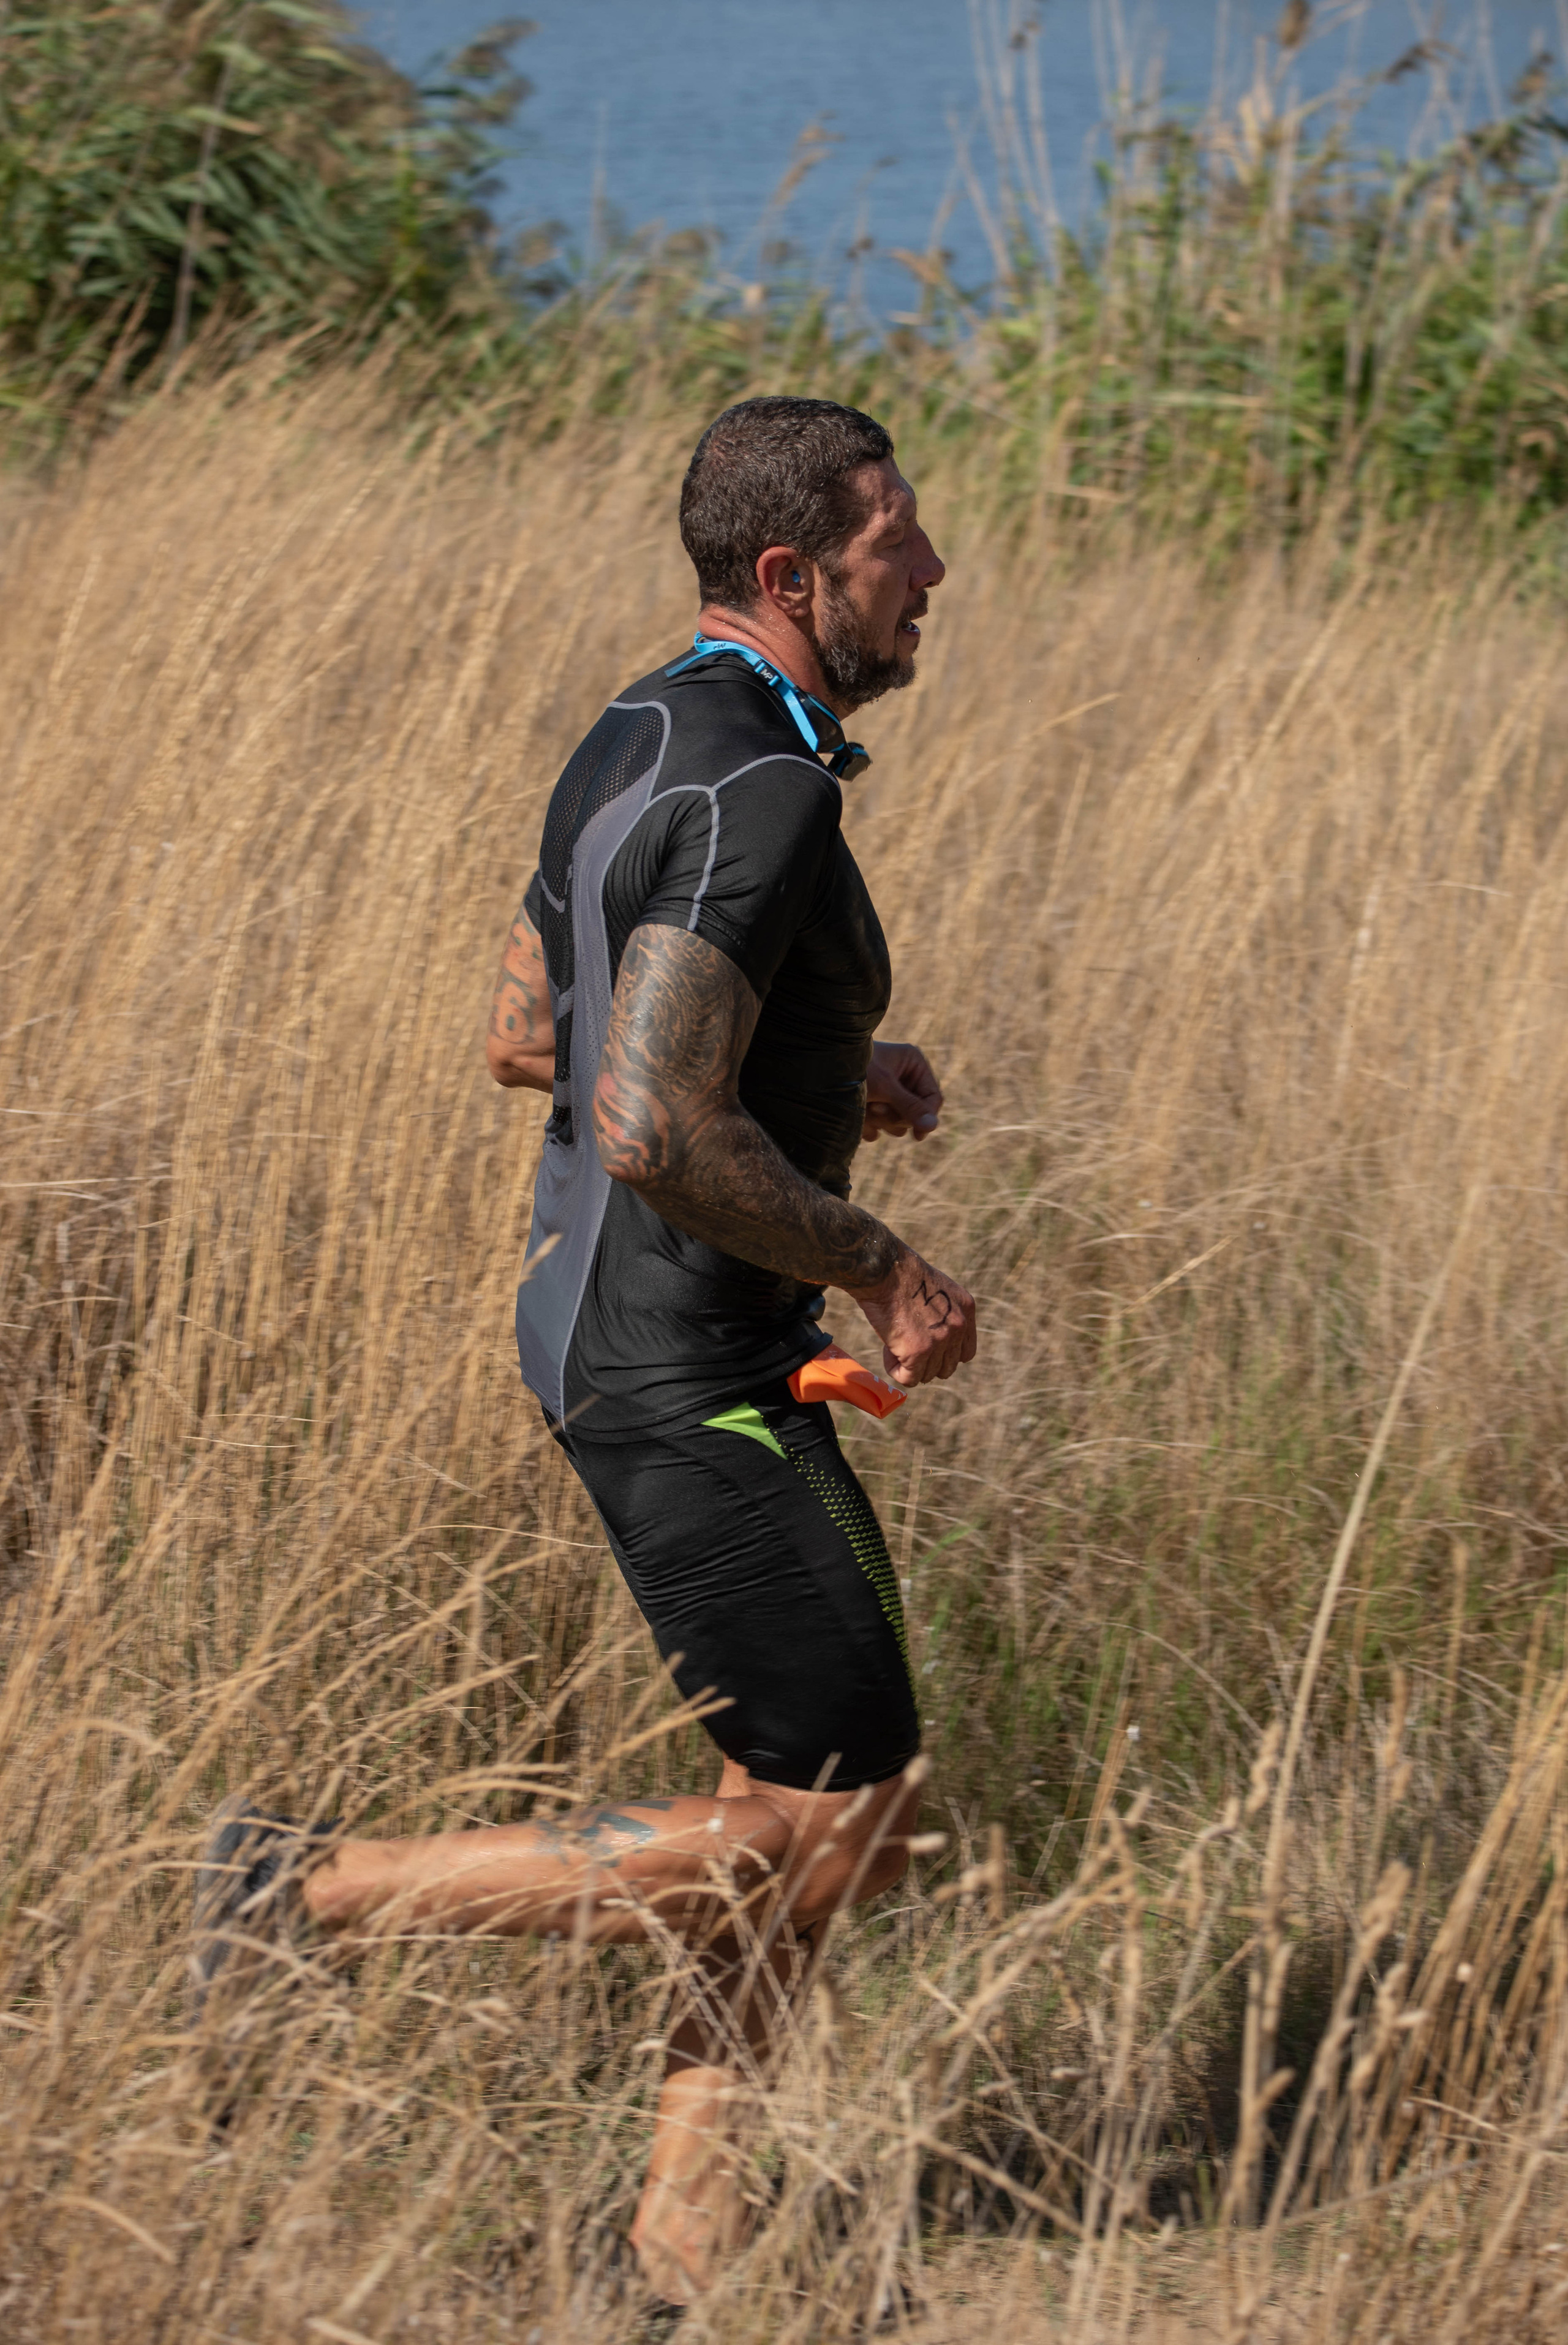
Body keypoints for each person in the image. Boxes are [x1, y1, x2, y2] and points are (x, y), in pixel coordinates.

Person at [192, 395, 978, 2306]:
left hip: (605, 1317)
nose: (933, 569)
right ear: (794, 573)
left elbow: (532, 1028)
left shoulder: (643, 724)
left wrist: (818, 1062)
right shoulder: (772, 793)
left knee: (800, 1802)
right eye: (899, 540)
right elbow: (644, 1121)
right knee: (853, 1815)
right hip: (679, 1356)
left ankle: (680, 2242)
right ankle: (312, 1891)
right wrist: (882, 1260)